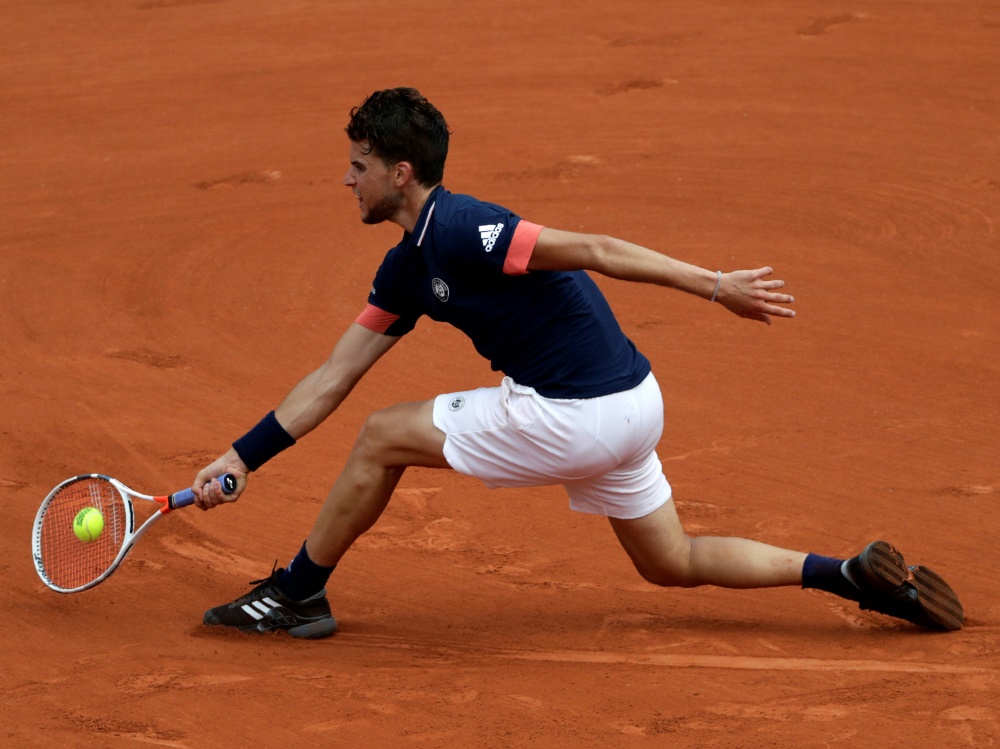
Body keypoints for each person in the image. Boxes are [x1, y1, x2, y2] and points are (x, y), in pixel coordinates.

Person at [191, 87, 963, 640]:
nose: (346, 179)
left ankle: (296, 593)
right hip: (634, 403)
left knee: (380, 435)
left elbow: (594, 248)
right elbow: (332, 373)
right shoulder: (405, 268)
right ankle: (848, 575)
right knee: (671, 560)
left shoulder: (464, 227)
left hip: (575, 412)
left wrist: (715, 284)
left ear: (400, 172)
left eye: (358, 164)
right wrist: (241, 455)